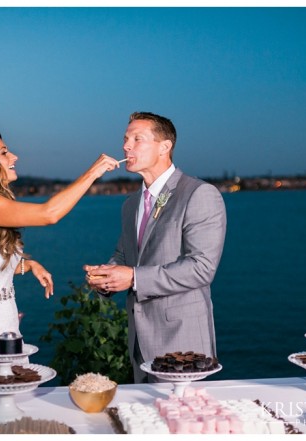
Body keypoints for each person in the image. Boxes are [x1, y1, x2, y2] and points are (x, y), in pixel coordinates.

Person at [0, 127, 119, 373]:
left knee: (10, 408)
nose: (14, 157)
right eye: (4, 152)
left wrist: (29, 265)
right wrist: (93, 173)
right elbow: (49, 214)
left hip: (5, 331)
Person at [84, 112, 227, 383]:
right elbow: (124, 255)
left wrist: (134, 277)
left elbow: (201, 269)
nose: (126, 146)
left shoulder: (199, 194)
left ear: (165, 147)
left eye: (137, 139)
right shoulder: (130, 204)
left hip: (182, 342)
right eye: (126, 140)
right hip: (139, 341)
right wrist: (108, 276)